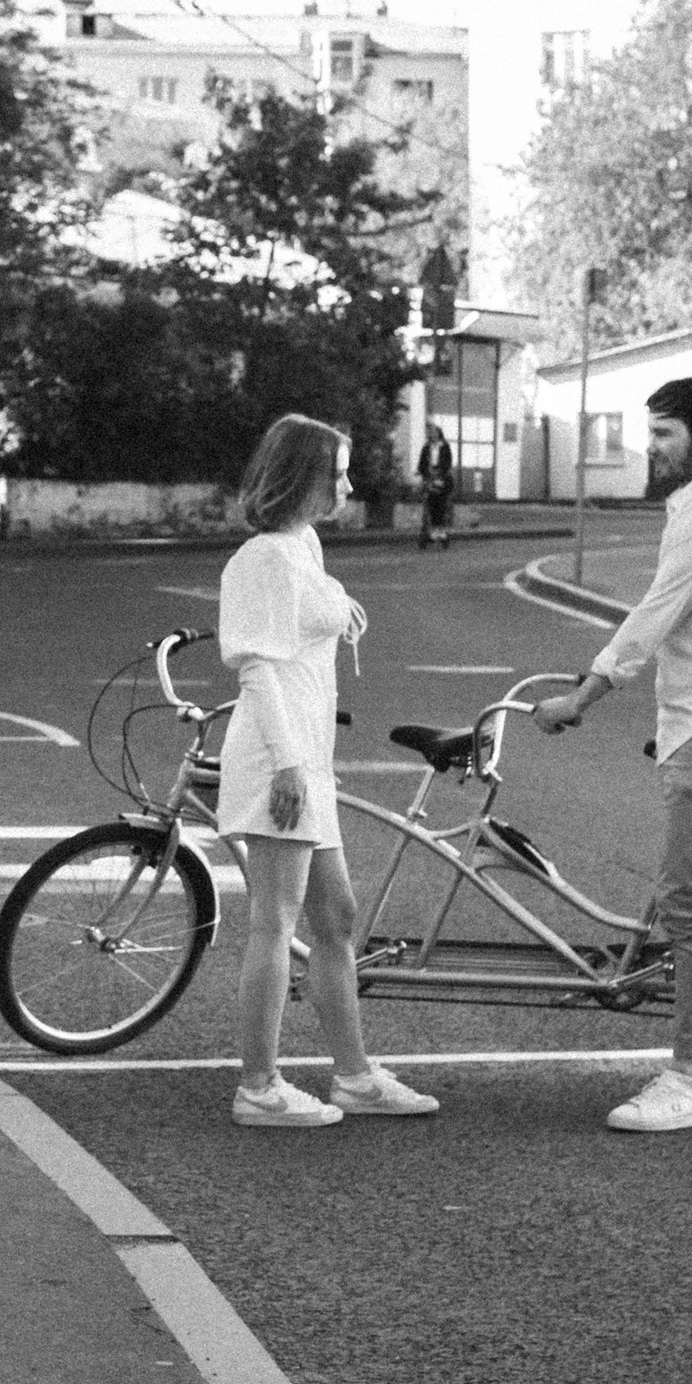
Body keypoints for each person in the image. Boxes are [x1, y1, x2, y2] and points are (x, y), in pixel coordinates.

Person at [534, 374, 692, 1132]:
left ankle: (687, 1080)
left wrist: (584, 695)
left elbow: (653, 616)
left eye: (666, 433)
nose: (652, 446)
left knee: (689, 902)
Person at [216, 413, 439, 1129]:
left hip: (309, 762)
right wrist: (286, 766)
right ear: (301, 474)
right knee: (274, 923)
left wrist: (343, 608)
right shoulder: (263, 557)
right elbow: (256, 665)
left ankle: (354, 1078)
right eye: (337, 471)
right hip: (280, 761)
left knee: (335, 918)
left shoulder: (303, 547)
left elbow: (304, 619)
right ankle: (259, 1087)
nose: (348, 483)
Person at [415, 422, 457, 550]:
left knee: (442, 503)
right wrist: (426, 472)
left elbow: (448, 462)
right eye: (430, 432)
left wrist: (440, 473)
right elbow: (421, 463)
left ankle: (441, 530)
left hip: (442, 477)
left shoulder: (444, 446)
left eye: (433, 432)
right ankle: (432, 529)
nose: (431, 434)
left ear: (438, 433)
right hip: (430, 477)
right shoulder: (426, 447)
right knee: (430, 503)